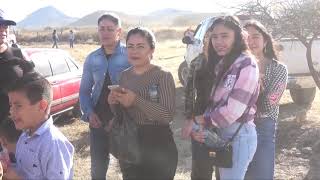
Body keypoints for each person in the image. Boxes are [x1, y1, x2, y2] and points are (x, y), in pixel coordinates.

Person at [189, 16, 260, 179]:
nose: (218, 42)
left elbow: (232, 112)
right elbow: (214, 104)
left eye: (225, 36)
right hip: (222, 133)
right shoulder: (224, 63)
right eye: (214, 36)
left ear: (237, 37)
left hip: (239, 135)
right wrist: (202, 130)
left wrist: (201, 120)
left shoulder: (247, 64)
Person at [108, 27, 178, 179]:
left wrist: (136, 100)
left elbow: (167, 115)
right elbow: (121, 115)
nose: (134, 51)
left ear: (152, 49)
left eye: (140, 46)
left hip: (158, 145)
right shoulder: (124, 76)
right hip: (129, 144)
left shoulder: (163, 76)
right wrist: (113, 102)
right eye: (130, 47)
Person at [79, 13, 130, 180]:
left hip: (124, 121)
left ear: (119, 31)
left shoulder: (130, 54)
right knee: (98, 169)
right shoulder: (92, 58)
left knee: (128, 167)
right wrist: (89, 113)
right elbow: (84, 91)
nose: (105, 33)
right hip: (97, 120)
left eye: (110, 29)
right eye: (102, 29)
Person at [4, 71, 74, 179]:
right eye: (10, 105)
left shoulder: (54, 144)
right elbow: (23, 169)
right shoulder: (24, 136)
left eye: (18, 106)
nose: (11, 111)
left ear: (42, 106)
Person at [244, 20, 288, 180]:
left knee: (262, 175)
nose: (251, 41)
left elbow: (268, 105)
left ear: (266, 40)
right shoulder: (234, 67)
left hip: (263, 128)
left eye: (255, 36)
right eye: (246, 37)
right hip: (236, 130)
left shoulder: (279, 69)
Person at [182, 27, 218, 180]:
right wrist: (189, 118)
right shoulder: (197, 62)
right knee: (201, 169)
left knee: (224, 166)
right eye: (206, 38)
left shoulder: (230, 62)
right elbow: (189, 92)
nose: (207, 42)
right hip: (200, 118)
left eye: (212, 38)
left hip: (224, 119)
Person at [0, 9, 26, 125]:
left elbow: (34, 84)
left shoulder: (18, 54)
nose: (3, 29)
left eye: (5, 26)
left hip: (17, 128)